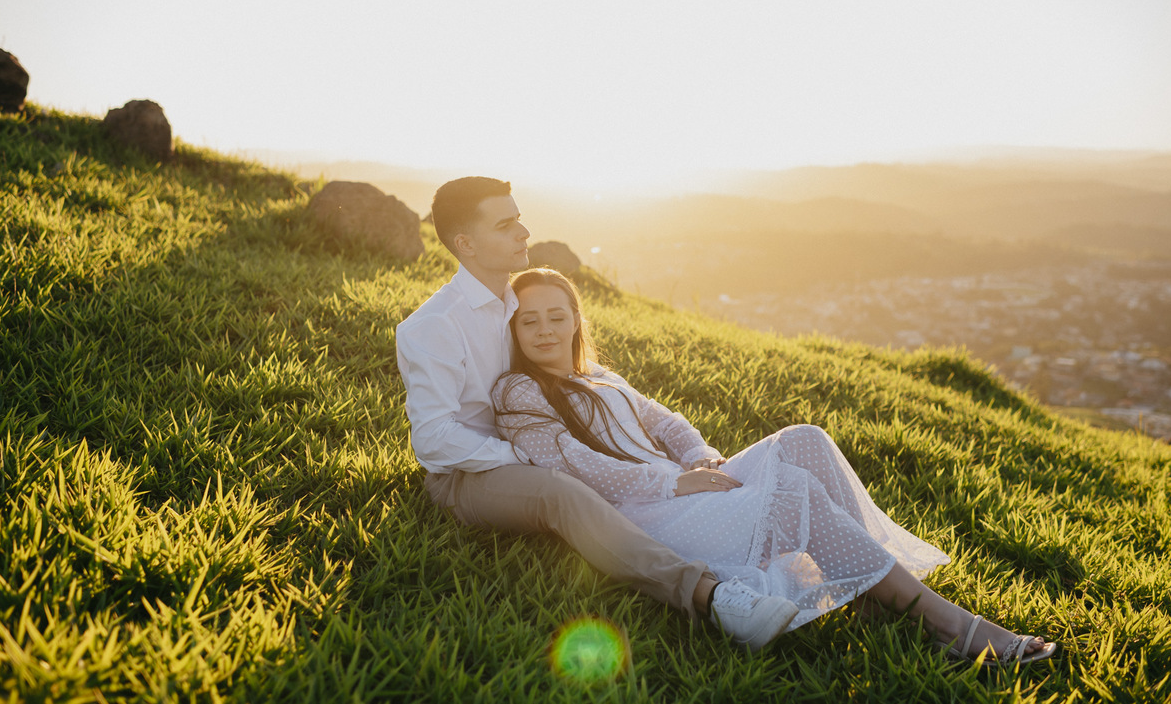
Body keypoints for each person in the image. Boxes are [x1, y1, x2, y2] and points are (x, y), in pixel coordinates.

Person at [492, 267, 1061, 665]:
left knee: (804, 439)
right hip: (641, 516)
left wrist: (700, 458)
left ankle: (871, 594)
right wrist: (675, 480)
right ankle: (951, 626)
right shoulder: (518, 390)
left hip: (683, 485)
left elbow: (666, 424)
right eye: (529, 322)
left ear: (575, 319)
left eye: (556, 317)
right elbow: (575, 464)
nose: (545, 331)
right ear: (513, 331)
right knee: (789, 490)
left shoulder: (600, 377)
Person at [396, 177, 799, 650]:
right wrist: (525, 455)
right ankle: (712, 596)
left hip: (538, 442)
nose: (523, 233)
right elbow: (433, 438)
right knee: (559, 490)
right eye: (506, 225)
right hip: (470, 472)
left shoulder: (519, 304)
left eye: (519, 219)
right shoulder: (432, 326)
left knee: (593, 472)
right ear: (465, 243)